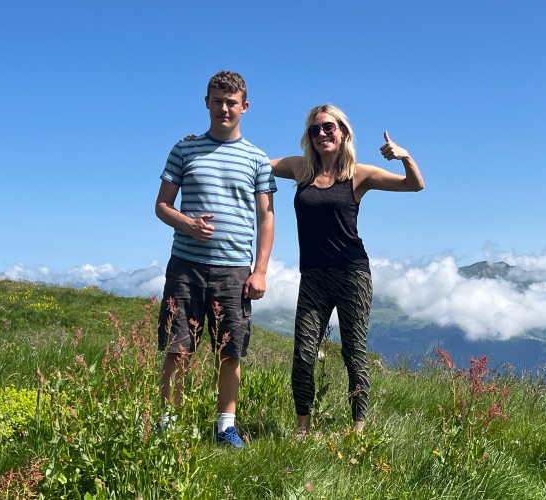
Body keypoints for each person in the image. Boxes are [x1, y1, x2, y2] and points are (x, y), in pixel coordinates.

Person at [271, 104, 424, 434]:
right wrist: (212, 143)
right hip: (313, 275)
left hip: (352, 274)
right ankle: (302, 427)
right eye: (315, 130)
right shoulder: (300, 170)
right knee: (303, 354)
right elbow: (254, 163)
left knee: (354, 352)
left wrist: (404, 156)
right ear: (308, 138)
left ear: (343, 133)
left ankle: (357, 429)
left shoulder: (358, 173)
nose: (322, 134)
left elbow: (414, 186)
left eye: (328, 127)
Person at [154, 70, 276, 448]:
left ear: (244, 106)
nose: (224, 108)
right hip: (185, 266)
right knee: (178, 347)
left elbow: (266, 216)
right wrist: (187, 224)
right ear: (206, 102)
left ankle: (225, 426)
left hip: (234, 270)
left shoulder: (257, 158)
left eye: (231, 102)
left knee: (230, 350)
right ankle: (168, 423)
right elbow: (161, 206)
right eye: (217, 100)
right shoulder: (183, 149)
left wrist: (260, 271)